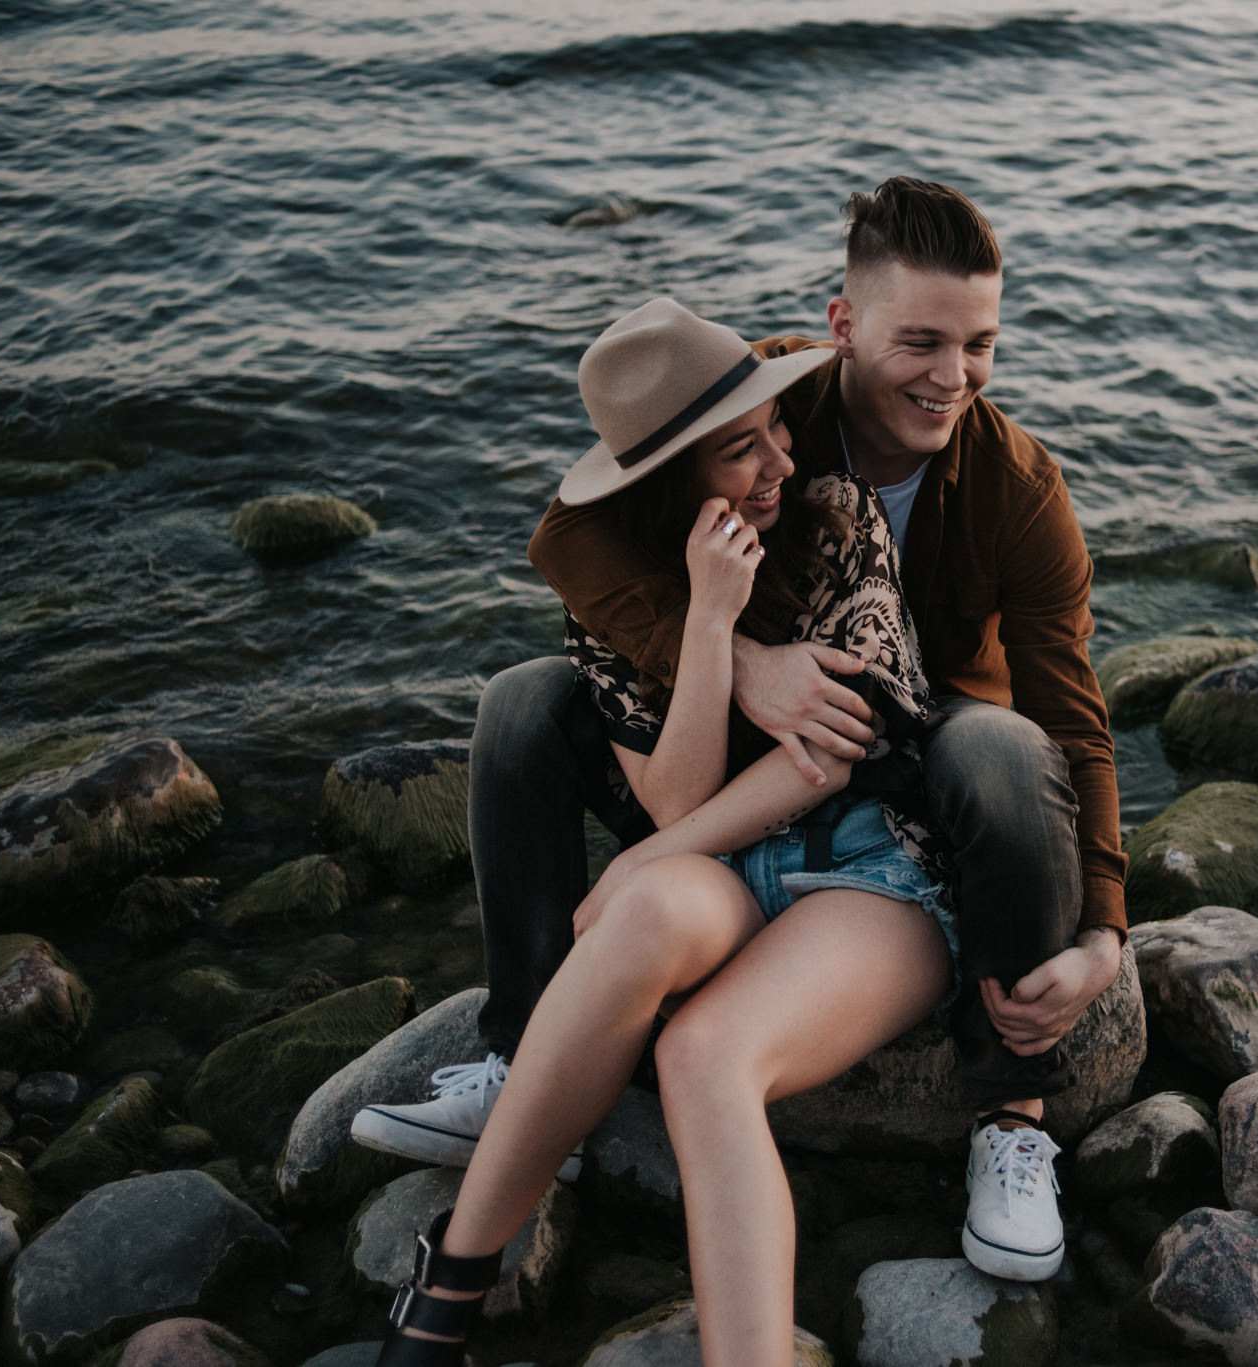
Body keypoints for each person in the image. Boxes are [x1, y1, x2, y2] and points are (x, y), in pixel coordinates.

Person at [353, 177, 1127, 1281]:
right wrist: (740, 661)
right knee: (525, 702)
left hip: (918, 739)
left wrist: (1102, 929)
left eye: (980, 344)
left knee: (999, 746)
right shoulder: (766, 396)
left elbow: (1073, 715)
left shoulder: (1017, 488)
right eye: (919, 340)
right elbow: (571, 538)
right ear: (842, 324)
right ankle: (525, 1058)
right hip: (732, 719)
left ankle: (1008, 1114)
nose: (951, 376)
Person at [373, 296, 960, 1367]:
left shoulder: (839, 518)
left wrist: (648, 852)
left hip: (872, 864)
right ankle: (450, 1280)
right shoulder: (625, 597)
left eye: (775, 428)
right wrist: (706, 619)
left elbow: (824, 754)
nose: (779, 457)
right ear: (668, 483)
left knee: (700, 1050)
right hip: (726, 857)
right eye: (742, 450)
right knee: (642, 910)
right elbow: (678, 804)